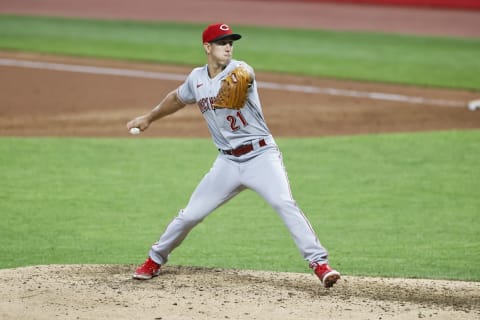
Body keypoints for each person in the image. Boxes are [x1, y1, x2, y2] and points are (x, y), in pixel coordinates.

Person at [126, 23, 341, 288]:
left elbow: (244, 75)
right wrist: (149, 117)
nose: (228, 46)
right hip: (227, 162)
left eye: (230, 42)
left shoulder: (240, 70)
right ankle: (154, 259)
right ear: (207, 47)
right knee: (191, 214)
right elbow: (177, 98)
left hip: (261, 155)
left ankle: (320, 264)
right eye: (221, 42)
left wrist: (238, 80)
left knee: (284, 203)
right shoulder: (197, 79)